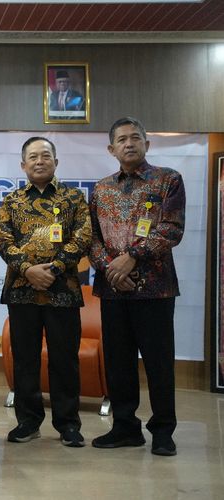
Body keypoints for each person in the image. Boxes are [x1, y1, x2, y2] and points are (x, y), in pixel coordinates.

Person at [89, 116, 186, 456]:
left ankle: (163, 430)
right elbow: (93, 239)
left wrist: (130, 257)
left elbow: (171, 229)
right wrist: (110, 267)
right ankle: (125, 427)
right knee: (118, 362)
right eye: (122, 139)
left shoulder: (167, 180)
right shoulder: (101, 188)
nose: (129, 144)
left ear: (148, 143)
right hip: (113, 290)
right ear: (111, 148)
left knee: (159, 362)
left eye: (135, 138)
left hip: (155, 289)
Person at [0, 137, 92, 448]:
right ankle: (28, 421)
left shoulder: (74, 198)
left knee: (64, 359)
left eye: (45, 156)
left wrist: (55, 268)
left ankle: (68, 424)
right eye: (33, 157)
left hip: (62, 290)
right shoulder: (12, 201)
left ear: (56, 162)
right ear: (23, 165)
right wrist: (28, 270)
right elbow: (2, 239)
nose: (39, 161)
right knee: (25, 360)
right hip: (22, 291)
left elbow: (83, 236)